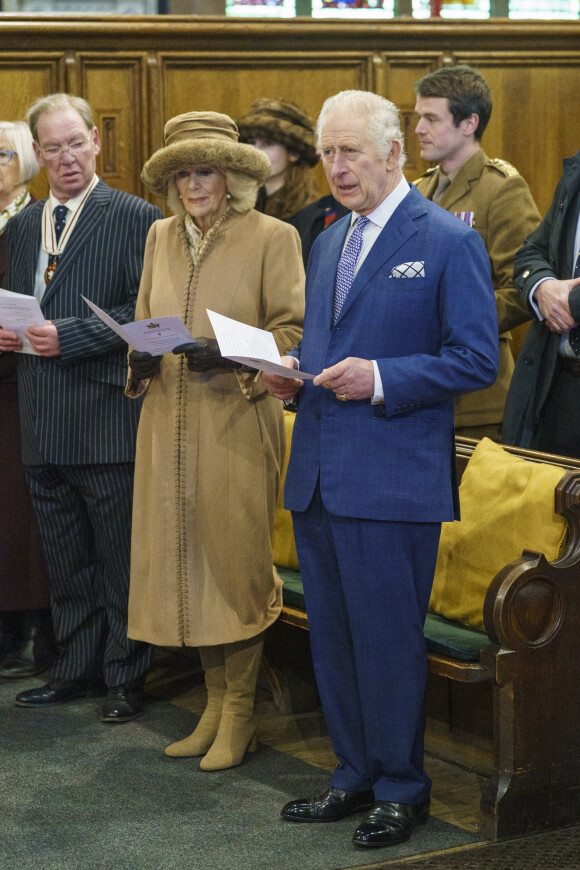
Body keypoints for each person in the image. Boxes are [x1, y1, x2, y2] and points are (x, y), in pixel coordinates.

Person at [262, 89, 498, 849]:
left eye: (350, 152)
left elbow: (475, 359)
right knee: (332, 639)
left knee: (389, 642)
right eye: (327, 152)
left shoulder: (446, 238)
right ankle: (352, 774)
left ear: (393, 153)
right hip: (322, 472)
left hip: (393, 477)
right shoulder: (330, 238)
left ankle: (403, 788)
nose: (335, 167)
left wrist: (384, 379)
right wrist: (295, 370)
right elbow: (336, 353)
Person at [125, 111, 304, 771]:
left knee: (235, 568)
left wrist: (226, 354)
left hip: (236, 419)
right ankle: (212, 704)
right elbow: (146, 316)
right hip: (165, 422)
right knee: (185, 565)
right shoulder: (157, 236)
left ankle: (241, 712)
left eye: (205, 171)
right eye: (182, 173)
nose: (193, 185)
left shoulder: (274, 236)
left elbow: (291, 333)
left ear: (231, 176)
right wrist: (138, 360)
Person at [0, 93, 161, 721]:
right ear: (36, 155)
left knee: (117, 558)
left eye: (76, 143)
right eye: (52, 148)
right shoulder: (20, 224)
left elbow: (147, 313)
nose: (66, 157)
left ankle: (125, 675)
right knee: (64, 556)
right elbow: (19, 302)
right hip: (39, 413)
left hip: (103, 414)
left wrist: (72, 335)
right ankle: (74, 667)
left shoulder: (136, 217)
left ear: (96, 141)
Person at [413, 65, 540, 441]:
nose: (418, 128)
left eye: (431, 118)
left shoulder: (500, 189)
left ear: (469, 123)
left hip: (475, 399)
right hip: (417, 386)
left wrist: (453, 319)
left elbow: (524, 288)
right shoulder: (418, 190)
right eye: (419, 117)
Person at [0, 120, 56, 680]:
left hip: (26, 382)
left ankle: (36, 629)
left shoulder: (36, 220)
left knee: (23, 516)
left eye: (3, 154)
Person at [502, 149, 580, 458]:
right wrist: (543, 286)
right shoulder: (575, 172)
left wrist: (569, 304)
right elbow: (531, 251)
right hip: (558, 383)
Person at [237, 97, 320, 221]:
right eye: (251, 142)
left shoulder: (311, 214)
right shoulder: (238, 206)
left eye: (268, 143)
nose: (255, 151)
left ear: (294, 153)